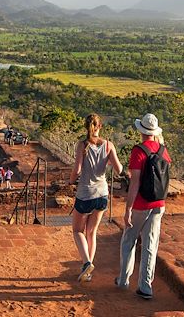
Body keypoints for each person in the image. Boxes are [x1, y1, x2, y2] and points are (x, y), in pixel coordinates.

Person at [116, 113, 171, 300]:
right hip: (159, 203)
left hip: (141, 204)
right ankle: (145, 286)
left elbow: (135, 183)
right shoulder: (163, 150)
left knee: (129, 241)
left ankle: (123, 279)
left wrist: (128, 209)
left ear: (141, 131)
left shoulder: (139, 151)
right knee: (150, 244)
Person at [71, 113, 122, 283]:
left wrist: (71, 180)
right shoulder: (108, 145)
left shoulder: (82, 145)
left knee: (78, 231)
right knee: (91, 232)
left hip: (85, 193)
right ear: (100, 126)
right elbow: (119, 169)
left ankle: (86, 263)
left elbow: (77, 170)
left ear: (86, 127)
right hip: (102, 194)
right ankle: (88, 270)